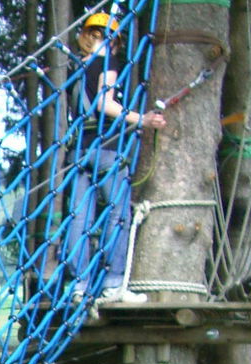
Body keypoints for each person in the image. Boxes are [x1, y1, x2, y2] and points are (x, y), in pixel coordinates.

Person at [61, 13, 164, 305]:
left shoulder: (76, 67)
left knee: (79, 218)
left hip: (79, 150)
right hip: (106, 147)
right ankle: (113, 283)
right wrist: (141, 119)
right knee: (117, 216)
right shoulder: (107, 63)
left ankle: (78, 285)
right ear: (113, 40)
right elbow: (105, 104)